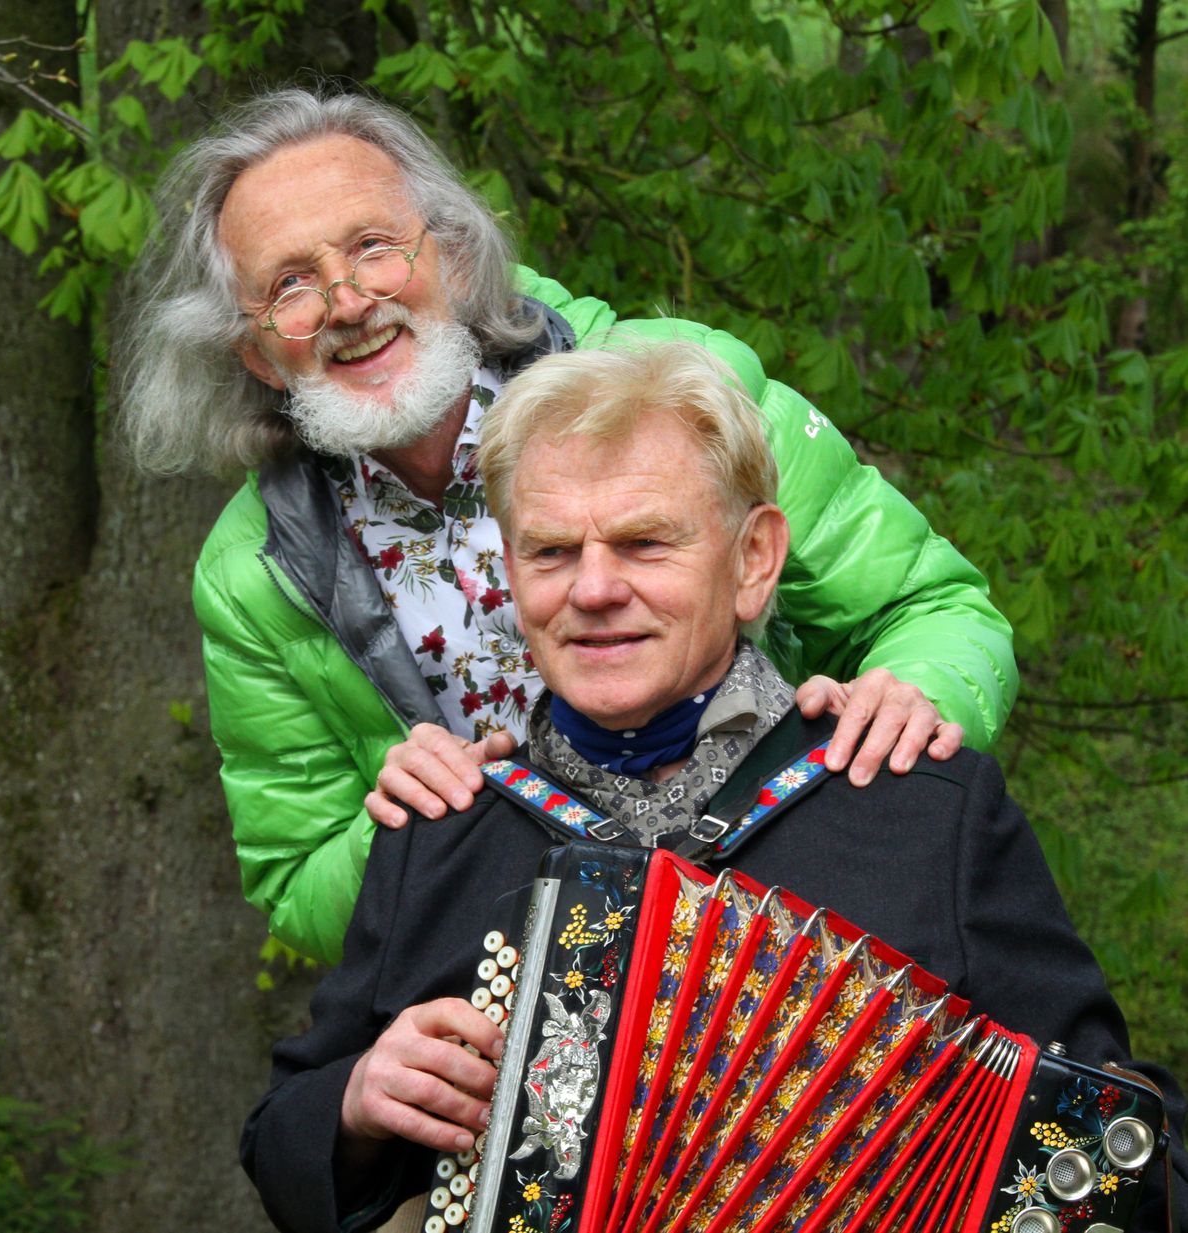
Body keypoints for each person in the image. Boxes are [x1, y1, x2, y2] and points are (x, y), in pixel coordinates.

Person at [238, 342, 1184, 1233]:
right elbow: (282, 1151)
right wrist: (357, 1102)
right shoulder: (443, 826)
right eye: (552, 551)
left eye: (645, 543)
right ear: (512, 573)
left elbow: (1138, 1142)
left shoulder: (918, 804)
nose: (594, 589)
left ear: (753, 560)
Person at [117, 85, 1018, 964]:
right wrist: (393, 829)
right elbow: (297, 889)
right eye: (290, 285)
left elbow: (938, 609)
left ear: (454, 256)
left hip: (794, 922)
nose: (348, 302)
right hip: (526, 993)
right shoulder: (251, 575)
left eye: (373, 247)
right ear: (254, 351)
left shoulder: (686, 390)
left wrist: (916, 700)